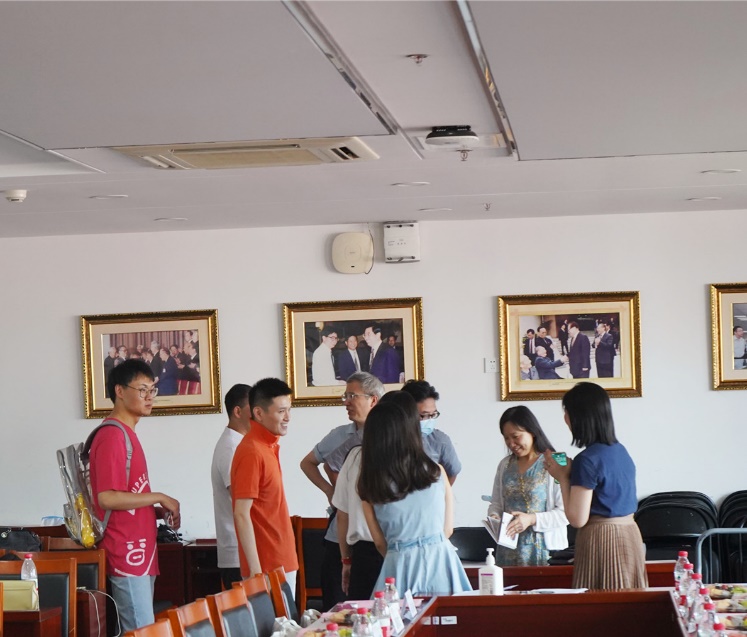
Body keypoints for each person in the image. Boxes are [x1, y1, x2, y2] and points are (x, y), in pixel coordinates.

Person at [89, 359, 181, 632]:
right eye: (142, 390)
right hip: (125, 550)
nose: (149, 397)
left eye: (152, 390)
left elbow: (128, 496)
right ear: (119, 390)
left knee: (141, 628)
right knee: (140, 631)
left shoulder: (127, 434)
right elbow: (107, 498)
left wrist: (157, 511)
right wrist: (159, 497)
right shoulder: (112, 435)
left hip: (139, 550)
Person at [357, 400, 471, 596]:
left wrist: (400, 553)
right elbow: (447, 530)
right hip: (441, 562)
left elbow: (380, 543)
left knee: (396, 614)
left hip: (399, 563)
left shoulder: (370, 484)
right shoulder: (437, 472)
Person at [544, 382, 647, 590]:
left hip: (603, 539)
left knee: (602, 600)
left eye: (567, 413)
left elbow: (577, 518)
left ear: (578, 418)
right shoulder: (621, 451)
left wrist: (563, 477)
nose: (565, 419)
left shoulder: (587, 460)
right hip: (630, 534)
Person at [299, 371, 384, 608]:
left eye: (352, 396)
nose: (346, 402)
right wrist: (331, 492)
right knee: (338, 607)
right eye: (345, 396)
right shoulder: (339, 435)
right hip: (340, 537)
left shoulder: (389, 438)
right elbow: (308, 463)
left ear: (373, 399)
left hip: (375, 539)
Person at [231, 378, 298, 594]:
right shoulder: (252, 451)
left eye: (289, 410)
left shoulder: (267, 446)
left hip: (282, 558)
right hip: (266, 566)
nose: (288, 417)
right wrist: (255, 571)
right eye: (281, 411)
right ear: (259, 413)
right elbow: (241, 513)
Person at [487, 406, 568, 566]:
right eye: (506, 438)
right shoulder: (504, 465)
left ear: (532, 431)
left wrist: (531, 519)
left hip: (543, 550)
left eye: (515, 436)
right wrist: (494, 517)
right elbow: (496, 503)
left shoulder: (557, 461)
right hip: (508, 548)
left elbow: (566, 513)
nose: (511, 443)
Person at [211, 383, 252, 589]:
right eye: (253, 408)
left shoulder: (240, 444)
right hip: (238, 552)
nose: (259, 414)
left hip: (244, 550)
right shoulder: (232, 448)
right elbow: (241, 500)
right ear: (237, 412)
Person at [399, 379, 461, 484]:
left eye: (433, 415)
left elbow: (452, 472)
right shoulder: (391, 438)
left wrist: (440, 492)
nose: (430, 420)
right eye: (424, 415)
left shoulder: (440, 440)